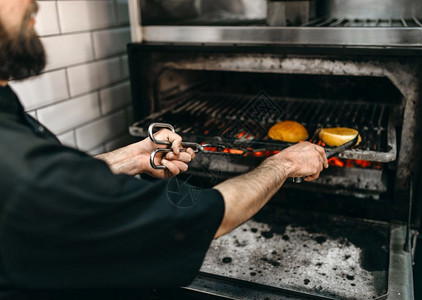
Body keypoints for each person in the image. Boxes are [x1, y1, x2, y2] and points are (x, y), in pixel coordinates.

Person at [0, 0, 328, 298]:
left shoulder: (8, 118)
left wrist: (130, 157)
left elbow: (58, 192)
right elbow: (202, 216)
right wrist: (283, 163)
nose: (33, 3)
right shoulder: (27, 175)